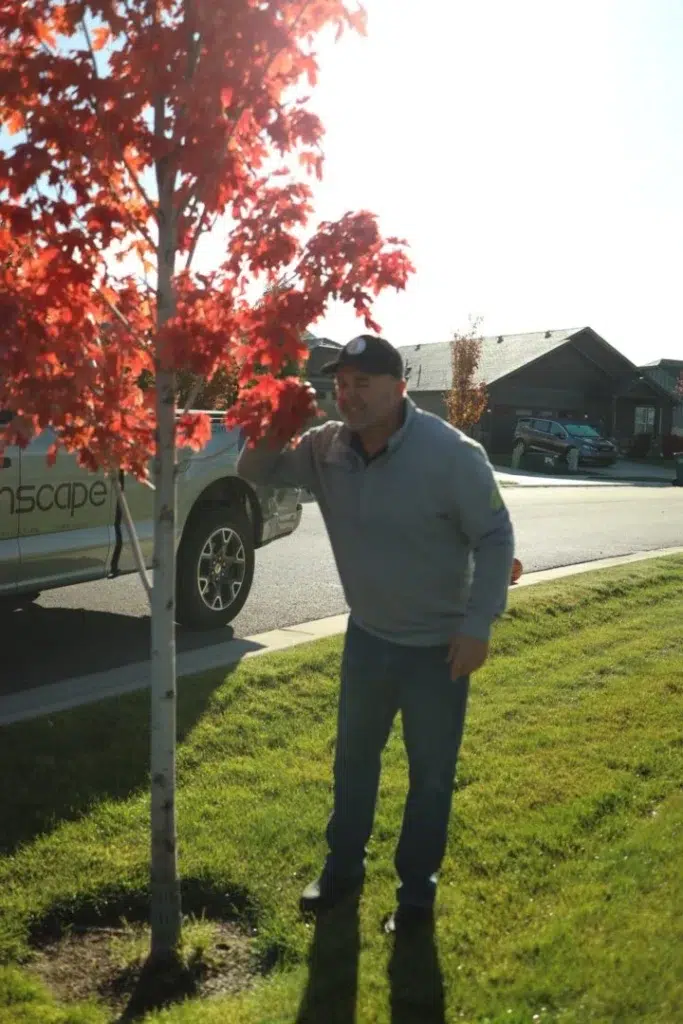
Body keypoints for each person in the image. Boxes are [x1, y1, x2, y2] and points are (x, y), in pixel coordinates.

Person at [237, 334, 515, 934]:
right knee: (354, 762)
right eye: (341, 383)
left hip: (440, 648)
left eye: (363, 383)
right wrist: (275, 421)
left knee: (430, 774)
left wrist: (477, 625)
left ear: (399, 388)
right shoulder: (325, 448)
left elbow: (496, 538)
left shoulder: (452, 455)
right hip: (368, 639)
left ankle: (416, 895)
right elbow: (253, 472)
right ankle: (343, 871)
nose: (349, 395)